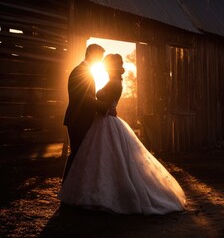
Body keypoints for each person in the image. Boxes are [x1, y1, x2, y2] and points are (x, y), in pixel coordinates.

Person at [58, 54, 186, 215]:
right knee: (100, 159)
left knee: (105, 158)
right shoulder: (114, 81)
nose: (104, 67)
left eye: (106, 64)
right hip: (103, 122)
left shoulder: (113, 83)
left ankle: (105, 195)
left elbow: (104, 106)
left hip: (105, 121)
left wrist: (97, 104)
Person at [62, 44, 111, 182]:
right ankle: (67, 187)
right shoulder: (80, 72)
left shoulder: (84, 70)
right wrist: (104, 107)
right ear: (92, 55)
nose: (100, 61)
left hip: (81, 118)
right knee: (77, 153)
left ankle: (72, 186)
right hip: (78, 119)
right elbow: (85, 98)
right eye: (99, 57)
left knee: (80, 153)